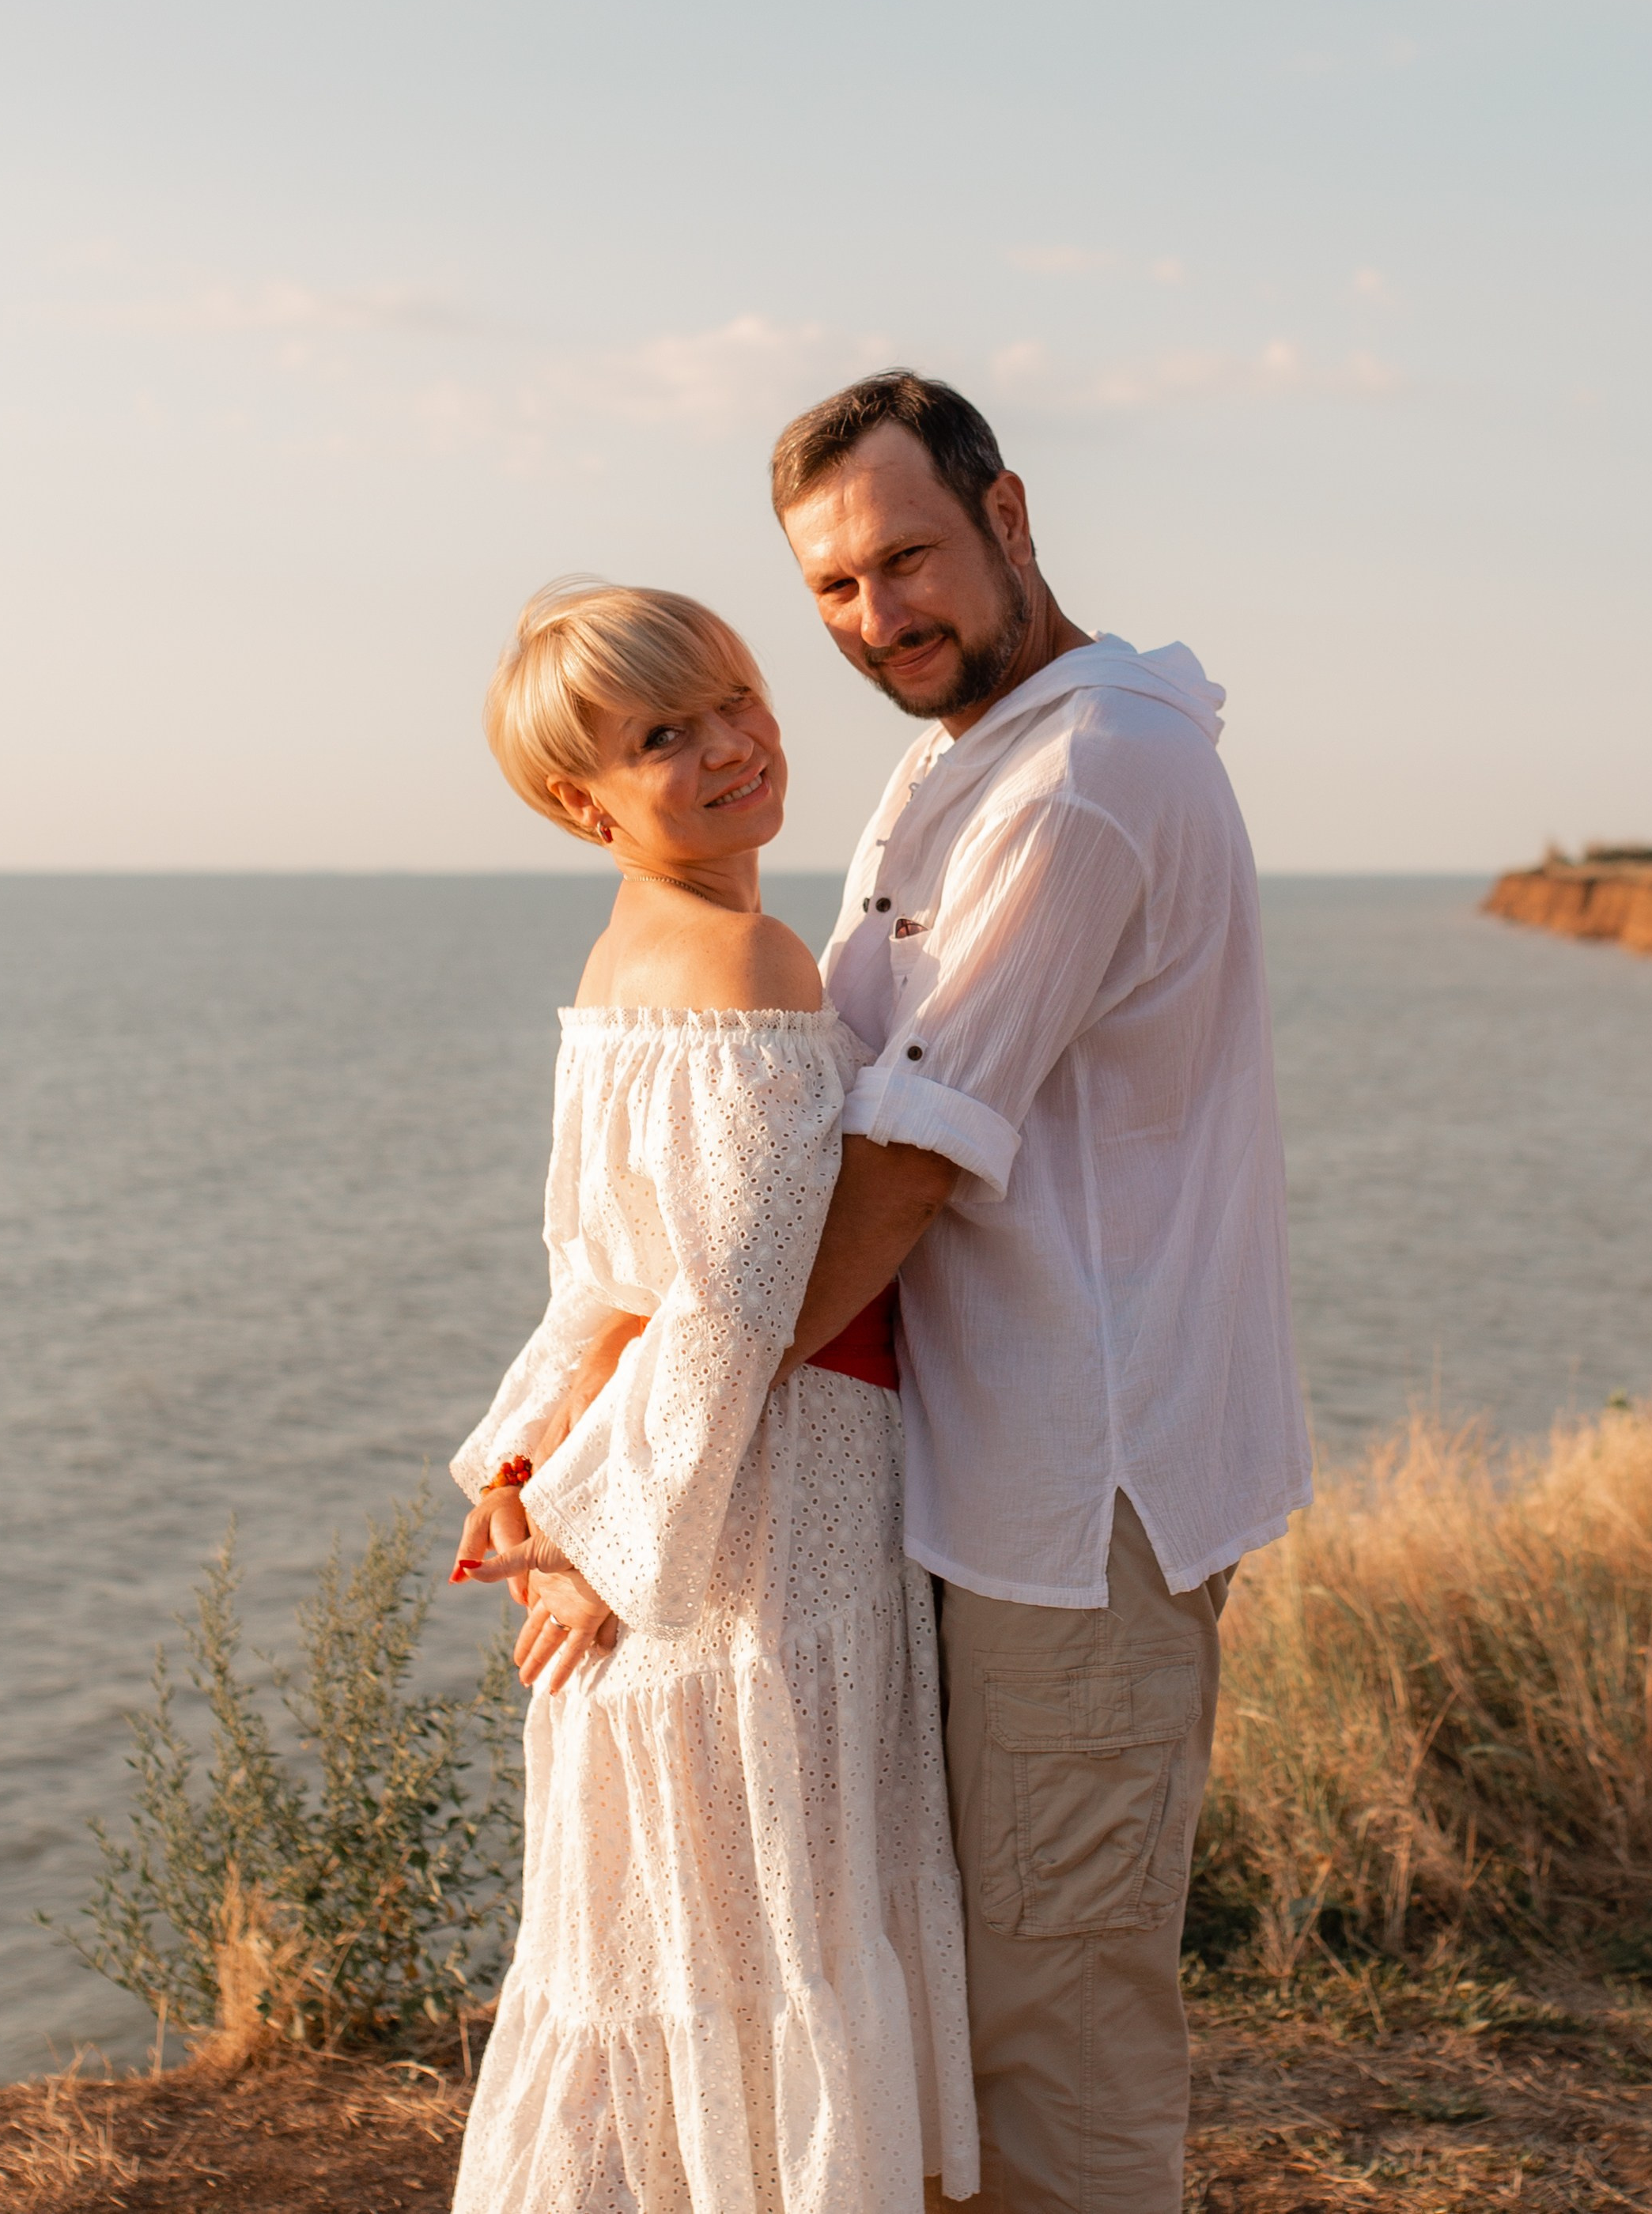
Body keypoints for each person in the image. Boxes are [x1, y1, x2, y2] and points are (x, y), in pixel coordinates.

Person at [763, 372, 1314, 2214]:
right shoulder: (969, 753)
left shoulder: (1086, 777)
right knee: (969, 1999)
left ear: (1010, 516)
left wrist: (708, 1418)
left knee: (1055, 2036)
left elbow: (913, 1154)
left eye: (906, 559)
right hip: (997, 1492)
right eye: (834, 591)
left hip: (1081, 1507)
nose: (877, 618)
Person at [445, 580, 979, 2214]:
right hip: (766, 1511)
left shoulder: (622, 959)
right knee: (787, 1927)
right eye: (666, 734)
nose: (736, 744)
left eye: (736, 696)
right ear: (578, 798)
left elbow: (595, 1273)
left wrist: (527, 1458)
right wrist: (595, 1534)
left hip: (679, 1496)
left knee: (678, 1936)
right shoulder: (745, 958)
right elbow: (732, 1311)